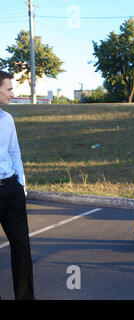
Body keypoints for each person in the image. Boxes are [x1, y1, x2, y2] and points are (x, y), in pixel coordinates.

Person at [0, 71, 35, 300]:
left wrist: (21, 184)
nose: (13, 94)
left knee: (22, 247)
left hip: (11, 189)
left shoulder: (8, 119)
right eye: (9, 89)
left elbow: (14, 152)